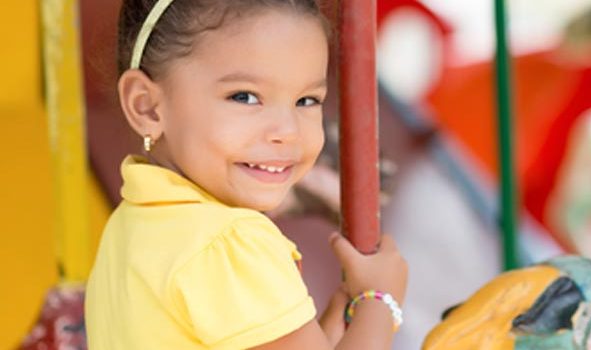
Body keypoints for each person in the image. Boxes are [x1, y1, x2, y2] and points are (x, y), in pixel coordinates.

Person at [85, 0, 408, 348]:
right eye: (245, 96)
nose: (287, 131)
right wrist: (380, 302)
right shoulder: (228, 242)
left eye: (307, 100)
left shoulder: (132, 226)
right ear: (146, 105)